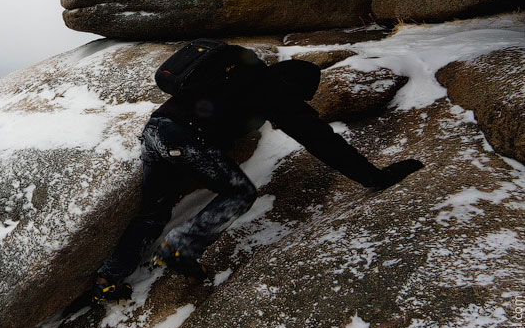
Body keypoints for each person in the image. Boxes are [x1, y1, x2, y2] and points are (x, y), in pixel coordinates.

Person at [92, 39, 423, 303]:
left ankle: (109, 277)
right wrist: (375, 177)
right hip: (183, 137)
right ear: (294, 89)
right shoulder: (274, 92)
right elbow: (323, 141)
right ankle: (180, 246)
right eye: (301, 101)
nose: (284, 117)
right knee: (239, 192)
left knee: (154, 210)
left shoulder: (242, 73)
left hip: (156, 132)